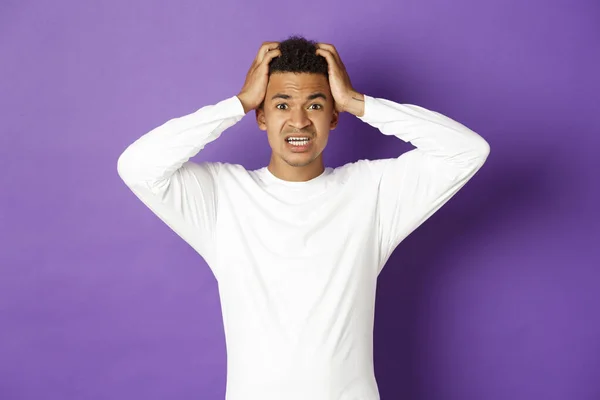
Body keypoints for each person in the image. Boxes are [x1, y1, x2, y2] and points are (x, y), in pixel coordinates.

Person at [116, 35, 490, 400]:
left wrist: (358, 102)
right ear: (261, 117)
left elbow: (467, 152)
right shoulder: (222, 197)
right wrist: (239, 103)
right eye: (281, 105)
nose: (298, 121)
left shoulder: (372, 192)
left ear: (333, 117)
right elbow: (137, 166)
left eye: (314, 105)